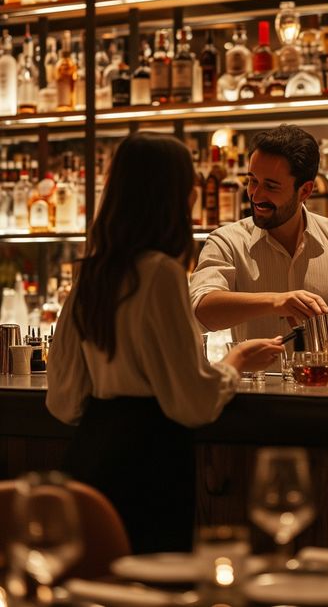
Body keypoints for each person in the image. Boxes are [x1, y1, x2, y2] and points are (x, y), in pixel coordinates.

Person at [46, 131, 283, 554]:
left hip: (89, 458)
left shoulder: (91, 272)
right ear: (174, 196)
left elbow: (62, 400)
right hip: (148, 463)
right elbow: (190, 402)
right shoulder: (160, 273)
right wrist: (235, 361)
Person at [190, 124, 328, 341]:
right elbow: (200, 311)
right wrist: (275, 302)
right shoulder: (227, 241)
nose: (256, 195)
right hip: (258, 376)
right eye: (252, 181)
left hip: (323, 376)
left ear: (305, 191)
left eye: (271, 186)